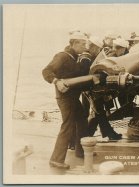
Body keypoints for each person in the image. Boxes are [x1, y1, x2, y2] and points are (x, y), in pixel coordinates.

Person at [42, 31, 89, 169]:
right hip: (65, 98)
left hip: (73, 97)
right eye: (82, 44)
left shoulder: (75, 58)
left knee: (81, 119)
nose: (85, 46)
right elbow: (46, 71)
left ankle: (81, 150)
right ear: (74, 43)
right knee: (67, 126)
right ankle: (56, 159)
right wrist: (56, 81)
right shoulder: (62, 56)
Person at [79, 35, 122, 140]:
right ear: (94, 47)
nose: (98, 52)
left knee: (98, 112)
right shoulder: (86, 59)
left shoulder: (88, 57)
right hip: (90, 91)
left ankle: (104, 134)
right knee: (94, 113)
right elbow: (86, 76)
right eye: (98, 49)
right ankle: (82, 137)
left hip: (90, 90)